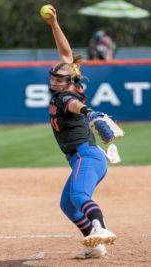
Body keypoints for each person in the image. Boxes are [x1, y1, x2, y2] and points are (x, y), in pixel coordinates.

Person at [42, 6, 116, 259]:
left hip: (86, 155)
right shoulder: (69, 80)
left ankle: (101, 227)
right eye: (53, 77)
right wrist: (54, 23)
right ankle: (95, 245)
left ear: (69, 81)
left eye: (58, 79)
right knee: (67, 205)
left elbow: (74, 104)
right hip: (79, 159)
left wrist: (90, 113)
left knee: (79, 195)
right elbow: (65, 53)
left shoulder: (66, 96)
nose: (54, 81)